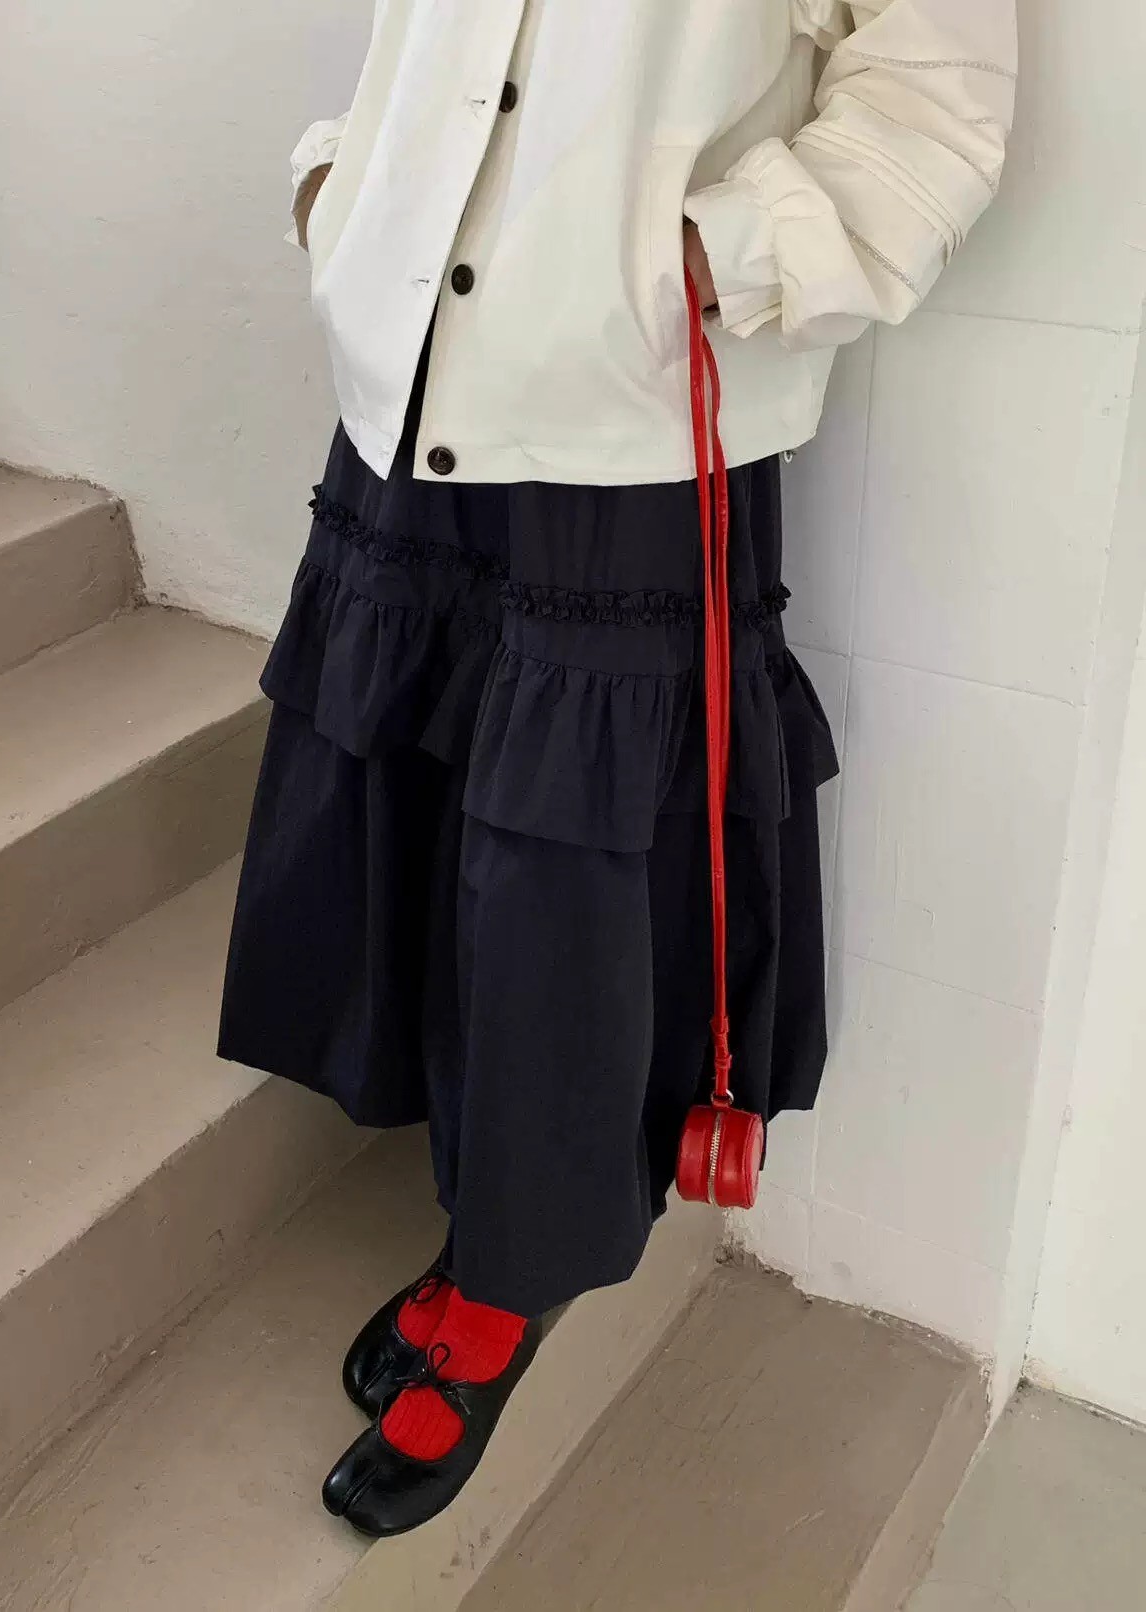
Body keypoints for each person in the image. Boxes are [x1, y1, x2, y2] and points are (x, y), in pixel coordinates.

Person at [219, 0, 1016, 1538]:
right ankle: (459, 1167)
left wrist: (707, 258)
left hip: (632, 405)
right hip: (420, 357)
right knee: (421, 792)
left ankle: (510, 1270)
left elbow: (941, 91)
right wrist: (344, 179)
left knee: (563, 872)